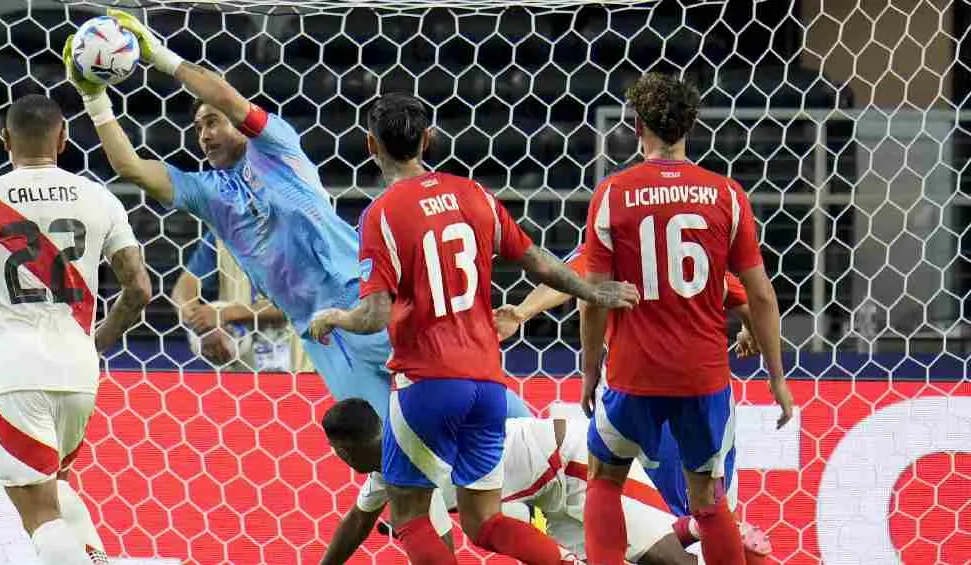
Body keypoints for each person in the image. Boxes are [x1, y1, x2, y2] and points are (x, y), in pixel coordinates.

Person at [61, 9, 532, 420]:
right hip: (319, 336)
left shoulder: (276, 147)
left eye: (211, 121)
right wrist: (93, 96)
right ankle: (425, 517)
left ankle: (548, 449)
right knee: (381, 446)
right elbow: (130, 168)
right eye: (196, 126)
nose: (202, 134)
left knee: (468, 398)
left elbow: (225, 95)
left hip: (369, 300)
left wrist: (159, 56)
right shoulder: (207, 192)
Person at [309, 92, 639, 564]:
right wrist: (594, 292)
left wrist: (334, 317)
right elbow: (536, 260)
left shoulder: (380, 215)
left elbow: (374, 315)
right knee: (484, 521)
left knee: (409, 516)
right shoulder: (474, 195)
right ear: (428, 139)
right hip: (487, 384)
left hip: (427, 384)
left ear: (370, 145)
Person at [576, 73, 792, 565]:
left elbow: (592, 297)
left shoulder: (612, 193)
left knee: (604, 480)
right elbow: (760, 294)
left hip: (634, 374)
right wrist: (778, 379)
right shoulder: (726, 194)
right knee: (709, 502)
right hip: (702, 376)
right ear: (693, 124)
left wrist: (590, 373)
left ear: (635, 126)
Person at [0, 94, 152, 565]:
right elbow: (139, 288)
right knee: (55, 490)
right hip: (78, 369)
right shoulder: (100, 197)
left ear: (4, 140)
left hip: (16, 367)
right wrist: (95, 340)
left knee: (37, 513)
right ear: (63, 139)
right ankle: (97, 559)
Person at [494, 244, 772, 561]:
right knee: (704, 517)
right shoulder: (692, 242)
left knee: (649, 531)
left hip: (640, 398)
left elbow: (568, 279)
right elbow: (749, 299)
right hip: (703, 394)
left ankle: (705, 535)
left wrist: (524, 311)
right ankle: (713, 535)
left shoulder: (619, 236)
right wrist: (751, 331)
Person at [320, 398, 704, 565]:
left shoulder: (413, 467)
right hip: (544, 499)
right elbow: (357, 521)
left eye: (337, 451)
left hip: (571, 463)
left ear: (346, 449)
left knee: (666, 559)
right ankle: (701, 529)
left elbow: (441, 550)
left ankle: (712, 531)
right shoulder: (389, 468)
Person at [173, 230, 293, 369]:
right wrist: (201, 324)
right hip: (240, 367)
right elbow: (185, 286)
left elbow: (304, 303)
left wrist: (228, 314)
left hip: (301, 365)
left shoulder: (300, 231)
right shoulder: (220, 233)